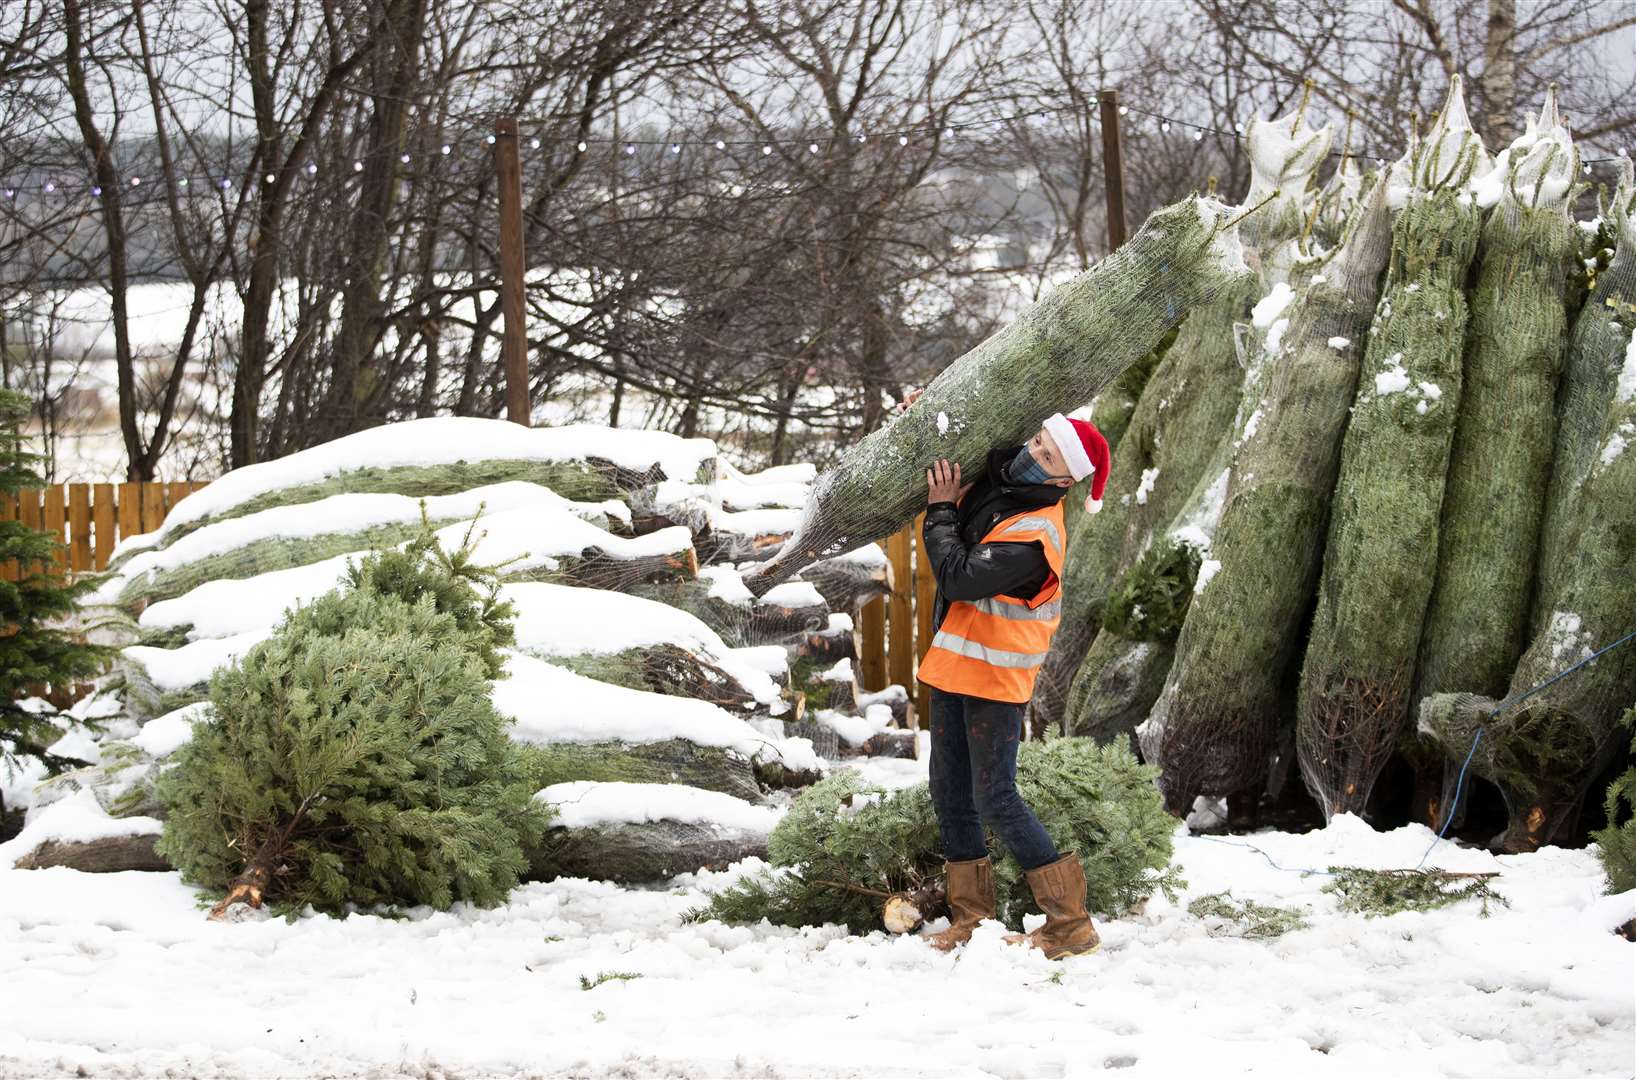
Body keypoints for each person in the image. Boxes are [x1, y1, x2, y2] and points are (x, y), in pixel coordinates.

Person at [898, 387, 1111, 960]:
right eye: (1038, 443)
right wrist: (926, 412)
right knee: (949, 791)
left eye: (1048, 459)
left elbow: (961, 577)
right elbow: (975, 434)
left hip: (994, 679)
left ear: (1065, 482)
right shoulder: (1010, 488)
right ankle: (971, 917)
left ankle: (1071, 923)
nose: (1033, 455)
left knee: (995, 797)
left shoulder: (1036, 534)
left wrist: (940, 509)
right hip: (955, 665)